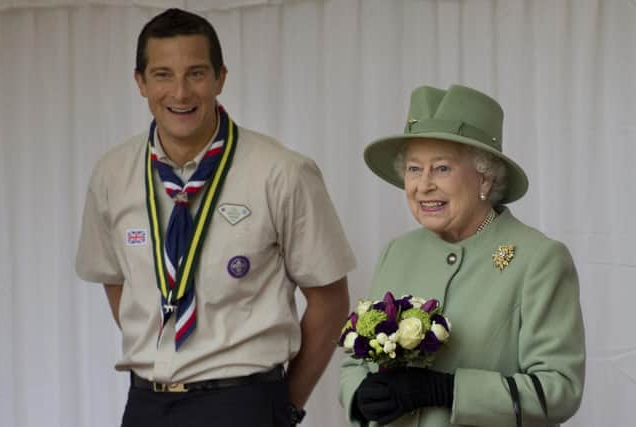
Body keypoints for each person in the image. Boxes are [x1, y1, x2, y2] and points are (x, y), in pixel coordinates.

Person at [75, 8, 355, 427]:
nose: (181, 93)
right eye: (163, 74)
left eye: (196, 73)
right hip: (146, 404)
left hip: (244, 403)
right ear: (141, 82)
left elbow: (330, 301)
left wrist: (285, 406)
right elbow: (116, 281)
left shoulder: (281, 172)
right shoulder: (112, 175)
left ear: (221, 77)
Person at [339, 84, 585, 426]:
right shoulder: (398, 252)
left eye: (441, 168)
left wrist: (447, 390)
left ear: (485, 178)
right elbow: (354, 362)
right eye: (414, 168)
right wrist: (360, 396)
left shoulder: (539, 260)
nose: (423, 185)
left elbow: (560, 389)